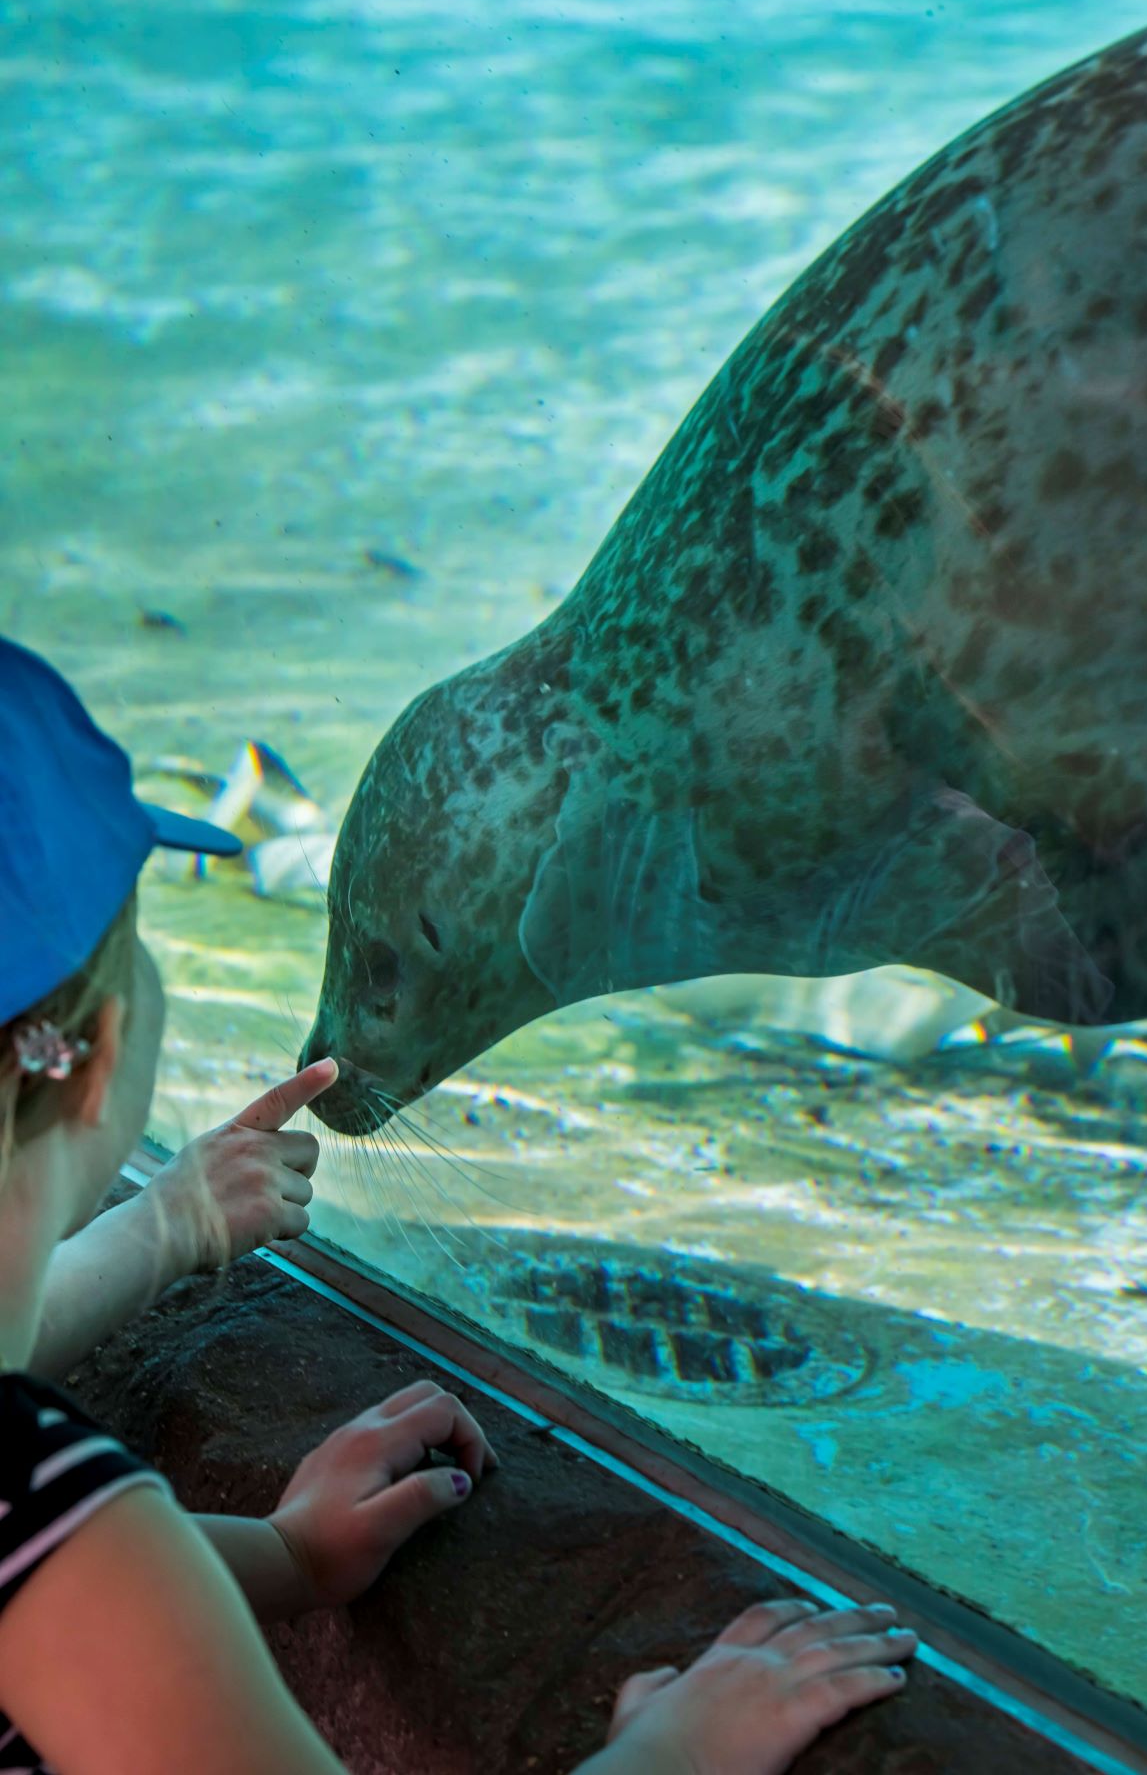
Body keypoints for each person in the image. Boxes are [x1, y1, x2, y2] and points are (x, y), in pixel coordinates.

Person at [0, 634, 917, 1774]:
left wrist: (285, 1556)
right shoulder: (62, 1519)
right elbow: (79, 1578)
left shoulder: (62, 1536)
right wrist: (672, 1756)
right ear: (98, 1062)